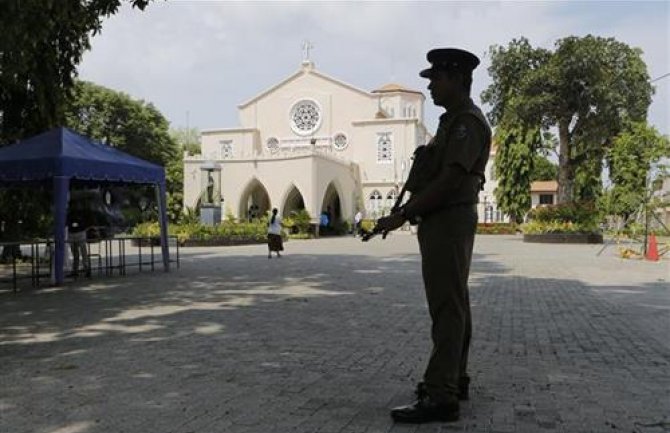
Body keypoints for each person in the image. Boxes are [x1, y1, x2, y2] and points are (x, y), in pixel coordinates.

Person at [374, 48, 491, 423]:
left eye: (437, 78)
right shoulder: (451, 121)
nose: (432, 86)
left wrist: (406, 214)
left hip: (449, 218)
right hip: (444, 219)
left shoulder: (466, 123)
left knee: (446, 307)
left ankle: (442, 395)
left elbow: (451, 179)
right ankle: (453, 379)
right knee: (454, 303)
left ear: (458, 79)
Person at [67, 204, 91, 278]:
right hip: (74, 233)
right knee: (77, 253)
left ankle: (85, 269)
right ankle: (77, 270)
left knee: (81, 252)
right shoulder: (70, 214)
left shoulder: (80, 213)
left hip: (79, 233)